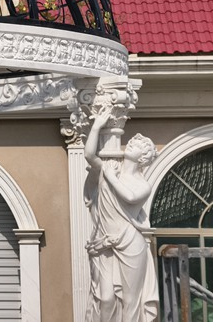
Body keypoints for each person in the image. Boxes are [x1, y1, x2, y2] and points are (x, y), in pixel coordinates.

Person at [84, 107, 159, 322]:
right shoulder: (108, 167)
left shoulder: (142, 184)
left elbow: (130, 197)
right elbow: (89, 155)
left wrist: (111, 177)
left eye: (138, 146)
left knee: (130, 300)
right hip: (103, 241)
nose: (132, 143)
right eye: (132, 143)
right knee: (105, 298)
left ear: (144, 157)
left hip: (130, 243)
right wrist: (97, 125)